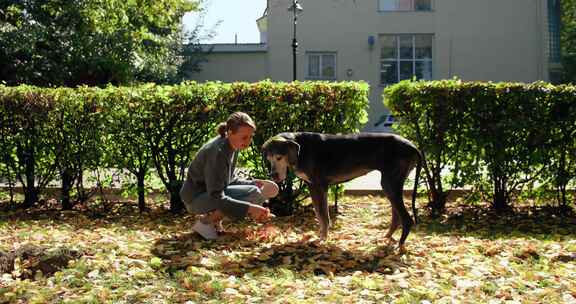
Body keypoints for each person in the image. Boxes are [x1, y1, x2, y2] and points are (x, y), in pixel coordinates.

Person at [180, 112, 279, 240]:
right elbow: (216, 195)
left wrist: (251, 183)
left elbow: (226, 179)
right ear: (230, 132)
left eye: (250, 137)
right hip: (195, 199)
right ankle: (205, 223)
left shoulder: (233, 145)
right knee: (251, 194)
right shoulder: (217, 153)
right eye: (244, 137)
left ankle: (214, 222)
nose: (248, 141)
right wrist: (249, 208)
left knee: (253, 190)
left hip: (208, 193)